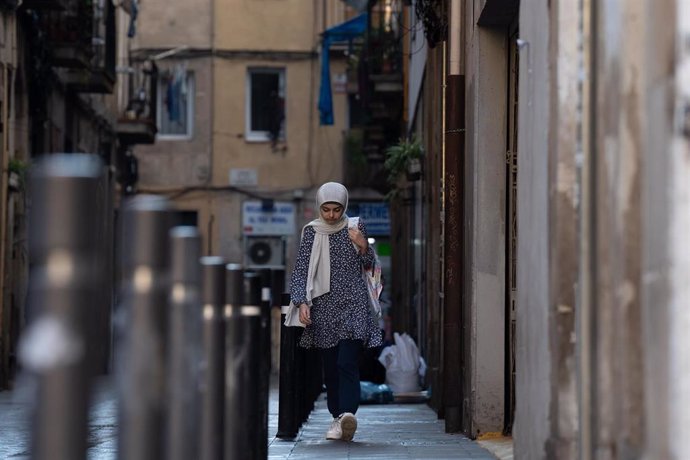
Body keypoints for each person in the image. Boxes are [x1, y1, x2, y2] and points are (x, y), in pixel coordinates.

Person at [289, 181, 382, 442]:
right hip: (324, 307)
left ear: (344, 207)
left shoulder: (354, 226)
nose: (331, 215)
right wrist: (301, 301)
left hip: (354, 304)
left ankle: (347, 415)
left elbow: (369, 265)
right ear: (320, 207)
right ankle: (337, 418)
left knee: (346, 362)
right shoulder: (311, 232)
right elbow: (301, 269)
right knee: (330, 368)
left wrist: (363, 245)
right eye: (327, 209)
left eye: (336, 210)